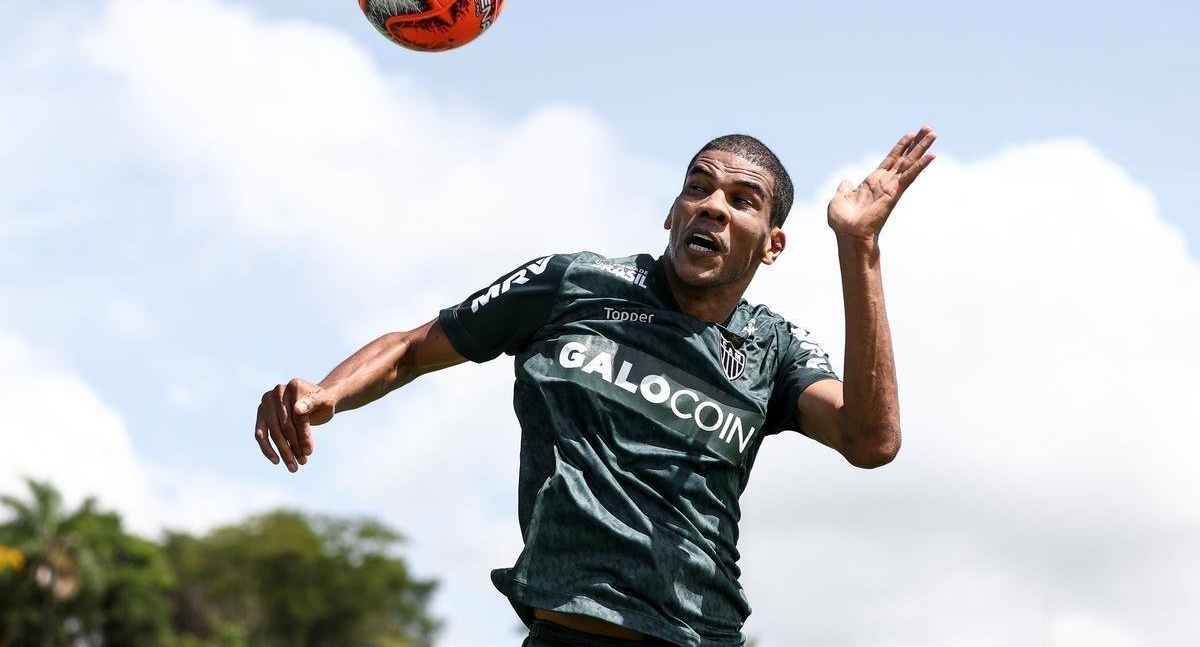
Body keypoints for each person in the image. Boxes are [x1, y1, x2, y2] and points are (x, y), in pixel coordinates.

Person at [254, 127, 937, 647]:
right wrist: (328, 394)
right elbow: (411, 348)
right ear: (672, 213)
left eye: (741, 200)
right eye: (697, 188)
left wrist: (860, 248)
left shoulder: (775, 348)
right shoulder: (573, 285)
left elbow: (871, 441)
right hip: (569, 630)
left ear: (772, 244)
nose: (712, 208)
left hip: (702, 635)